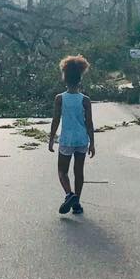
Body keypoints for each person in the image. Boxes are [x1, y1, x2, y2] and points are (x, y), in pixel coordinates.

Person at [48, 54, 95, 215]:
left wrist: (51, 139)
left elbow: (55, 120)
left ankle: (69, 194)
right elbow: (89, 123)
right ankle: (77, 204)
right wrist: (93, 143)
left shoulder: (59, 98)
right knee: (79, 172)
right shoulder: (85, 100)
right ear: (80, 79)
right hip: (82, 139)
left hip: (66, 140)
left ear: (65, 78)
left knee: (62, 171)